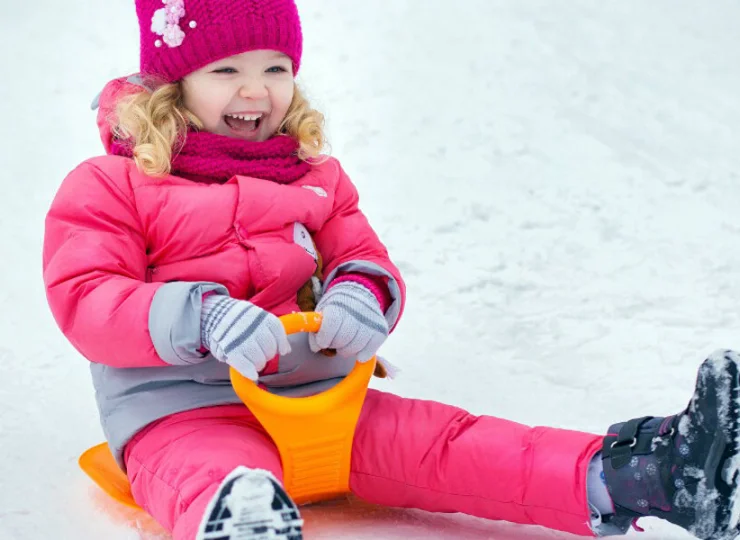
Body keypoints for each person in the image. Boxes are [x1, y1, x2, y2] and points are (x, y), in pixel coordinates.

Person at [42, 1, 740, 539]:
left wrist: (361, 295)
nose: (256, 91)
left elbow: (363, 256)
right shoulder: (113, 185)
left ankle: (652, 477)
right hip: (184, 409)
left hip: (319, 399)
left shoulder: (315, 177)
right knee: (221, 474)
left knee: (450, 443)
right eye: (227, 71)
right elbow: (86, 295)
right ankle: (243, 522)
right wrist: (201, 317)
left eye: (275, 68)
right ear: (173, 83)